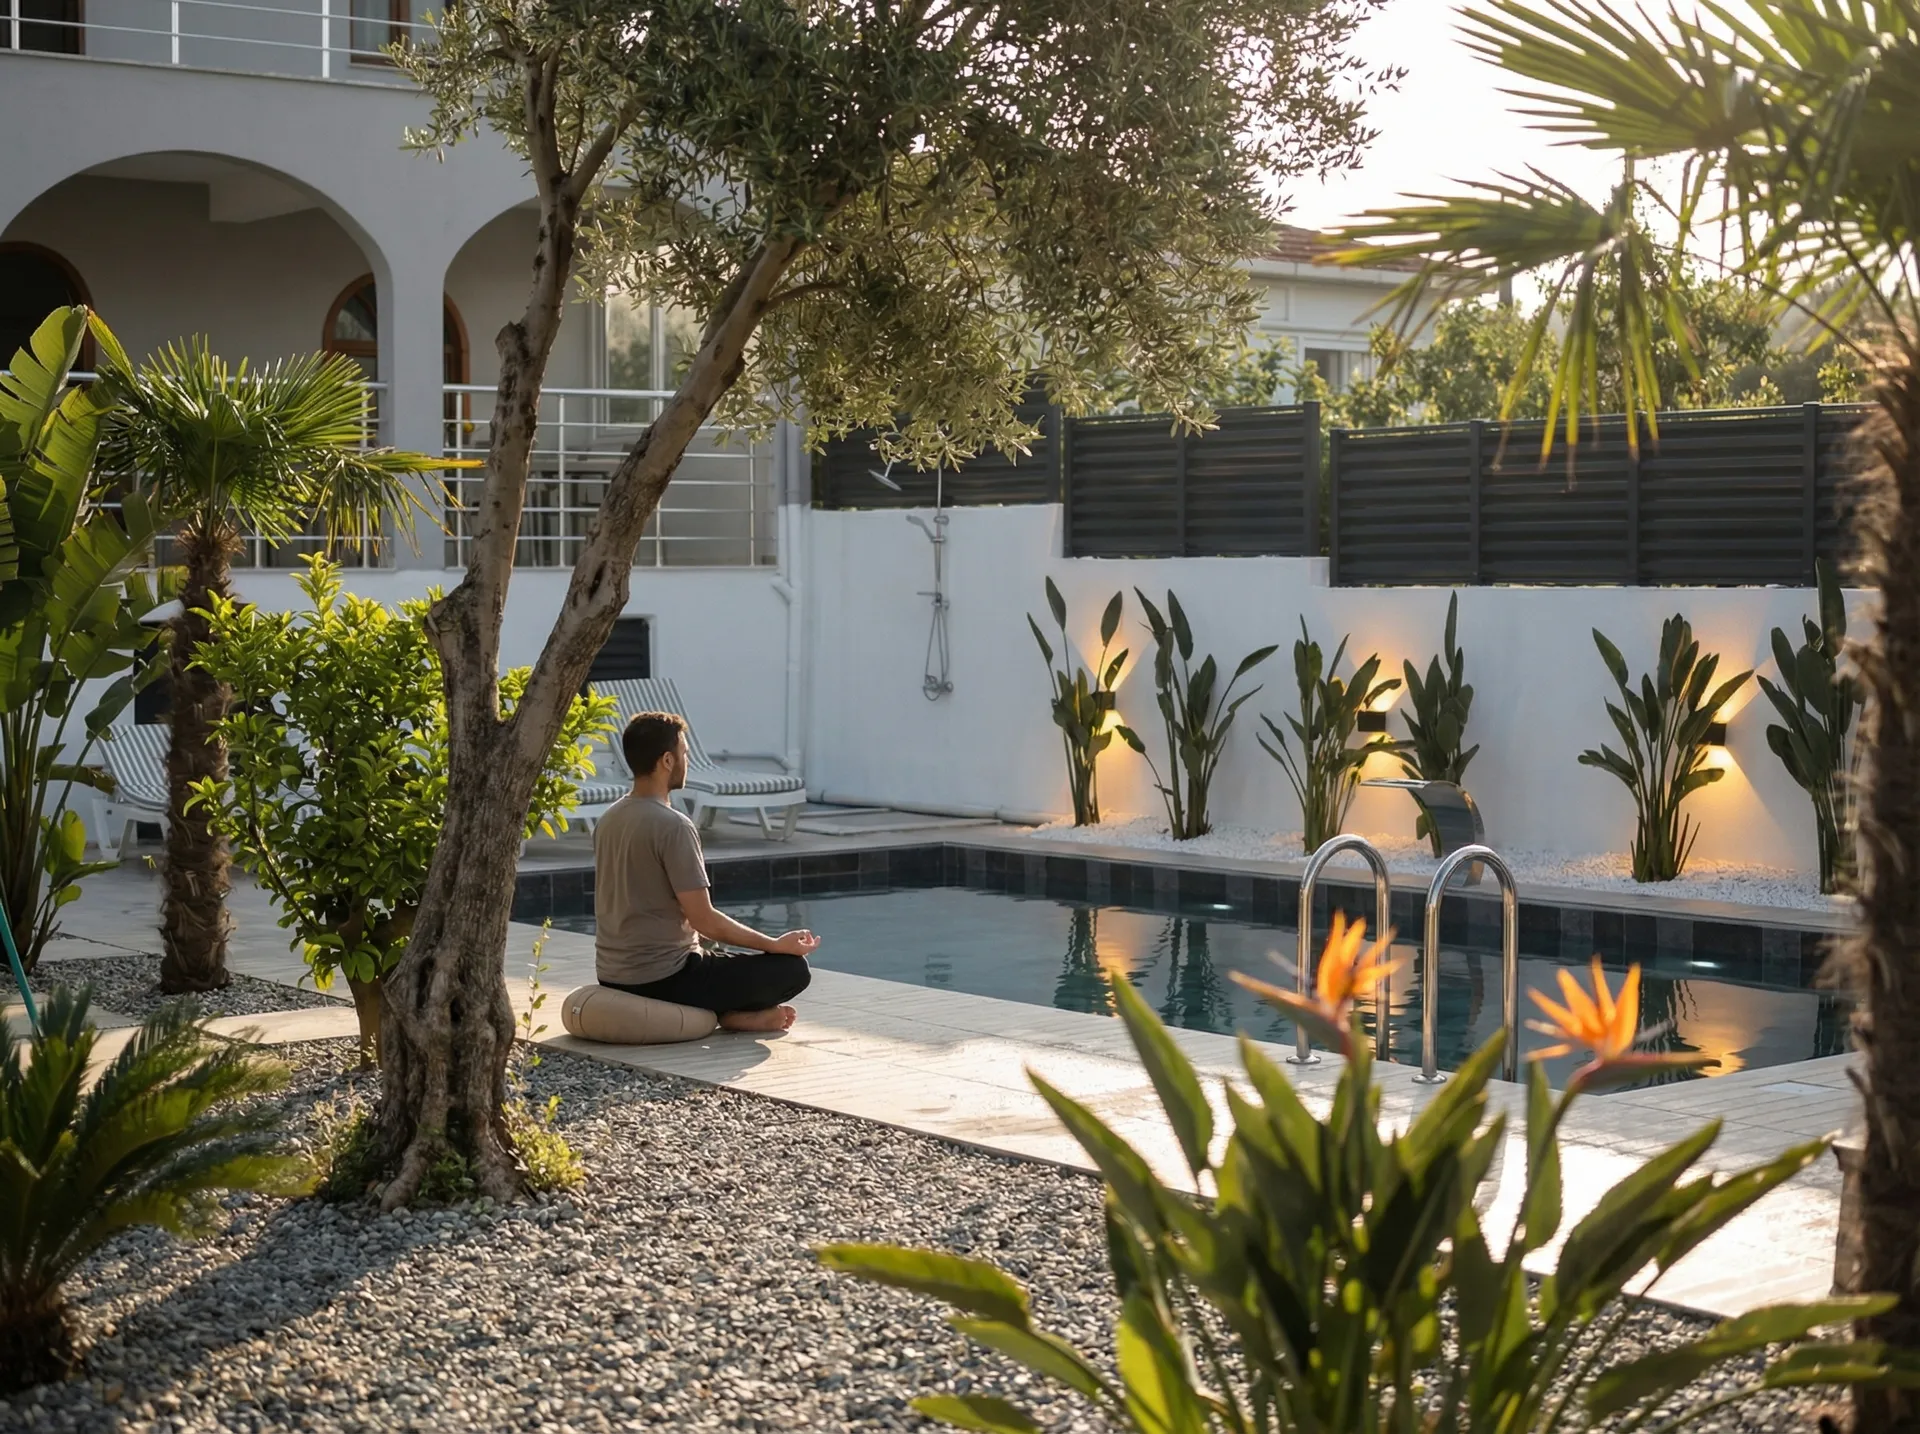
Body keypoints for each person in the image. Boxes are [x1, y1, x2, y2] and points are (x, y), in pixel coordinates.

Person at [593, 711, 816, 1032]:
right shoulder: (673, 826)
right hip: (664, 977)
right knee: (793, 969)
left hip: (612, 974)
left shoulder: (609, 819)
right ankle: (729, 1015)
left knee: (720, 954)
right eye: (684, 753)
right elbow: (704, 920)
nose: (688, 759)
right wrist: (775, 944)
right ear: (667, 761)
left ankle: (728, 1011)